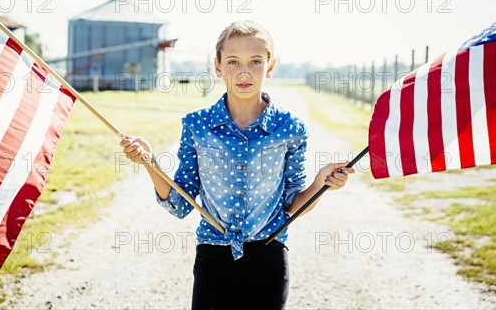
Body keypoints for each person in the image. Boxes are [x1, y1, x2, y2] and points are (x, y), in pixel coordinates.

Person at [120, 20, 353, 309]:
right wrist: (150, 162)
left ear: (270, 66)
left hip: (269, 255)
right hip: (213, 258)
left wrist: (320, 184)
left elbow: (293, 204)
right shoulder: (197, 125)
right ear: (217, 67)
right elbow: (180, 204)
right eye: (233, 62)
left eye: (255, 61)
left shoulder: (290, 128)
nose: (244, 72)